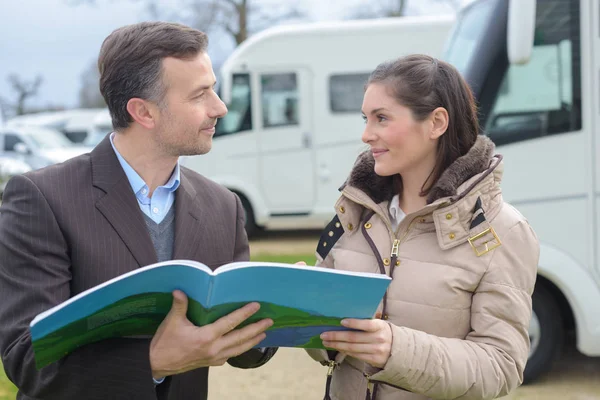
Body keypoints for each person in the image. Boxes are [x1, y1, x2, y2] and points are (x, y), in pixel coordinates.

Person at [0, 22, 277, 400]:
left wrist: (284, 309)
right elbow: (26, 357)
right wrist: (151, 361)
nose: (220, 107)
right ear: (143, 112)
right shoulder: (41, 198)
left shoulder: (223, 206)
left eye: (214, 88)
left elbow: (245, 350)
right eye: (200, 95)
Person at [307, 54, 540, 400]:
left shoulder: (505, 231)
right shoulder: (354, 211)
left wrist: (394, 349)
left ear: (436, 123)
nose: (366, 134)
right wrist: (306, 312)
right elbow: (321, 347)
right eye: (365, 118)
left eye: (381, 118)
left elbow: (501, 366)